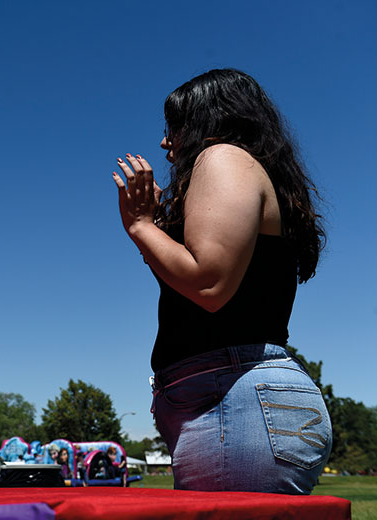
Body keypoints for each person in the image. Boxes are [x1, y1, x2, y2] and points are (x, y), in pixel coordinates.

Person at [111, 68, 331, 494]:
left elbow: (208, 286)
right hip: (234, 400)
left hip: (234, 399)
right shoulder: (246, 166)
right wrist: (157, 228)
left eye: (174, 127)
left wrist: (140, 226)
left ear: (211, 120)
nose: (164, 142)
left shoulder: (223, 156)